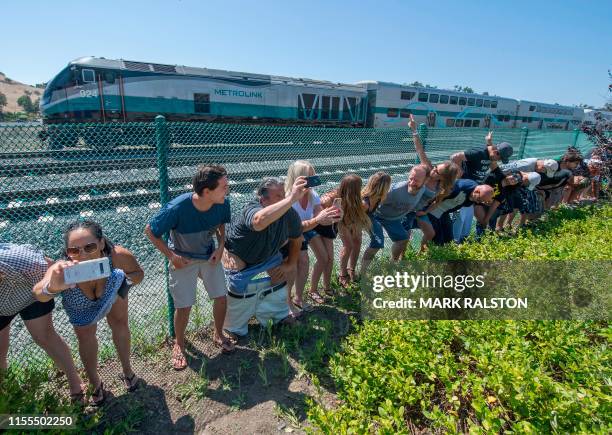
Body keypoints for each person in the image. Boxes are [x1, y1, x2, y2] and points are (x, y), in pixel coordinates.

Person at [34, 221, 144, 406]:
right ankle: (95, 383)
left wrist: (124, 281)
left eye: (89, 247)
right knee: (85, 338)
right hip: (81, 307)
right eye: (74, 251)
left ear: (101, 244)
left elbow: (139, 274)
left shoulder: (117, 256)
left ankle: (127, 371)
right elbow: (38, 293)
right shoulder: (63, 269)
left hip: (112, 293)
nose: (82, 255)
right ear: (67, 252)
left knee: (120, 324)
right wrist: (53, 287)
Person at [145, 165, 233, 370]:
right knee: (183, 307)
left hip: (209, 256)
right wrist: (172, 256)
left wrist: (220, 247)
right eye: (223, 186)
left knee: (221, 297)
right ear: (206, 192)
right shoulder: (178, 207)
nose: (227, 190)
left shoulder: (222, 203)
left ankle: (218, 334)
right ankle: (179, 344)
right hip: (183, 259)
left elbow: (221, 224)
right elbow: (150, 231)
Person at [1, 243, 84, 402]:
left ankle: (75, 381)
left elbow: (52, 267)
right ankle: (7, 394)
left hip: (31, 294)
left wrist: (49, 288)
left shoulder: (16, 259)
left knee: (45, 337)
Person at [222, 177, 304, 337]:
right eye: (279, 196)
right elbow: (259, 222)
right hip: (238, 255)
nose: (284, 199)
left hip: (267, 254)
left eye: (284, 194)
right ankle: (233, 326)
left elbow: (297, 237)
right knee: (236, 282)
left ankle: (278, 315)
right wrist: (291, 199)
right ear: (262, 199)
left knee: (283, 274)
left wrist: (291, 263)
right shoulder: (251, 207)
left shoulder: (289, 213)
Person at [284, 161, 340, 309]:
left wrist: (333, 217)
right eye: (309, 176)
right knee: (302, 261)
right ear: (298, 177)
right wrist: (318, 219)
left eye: (313, 174)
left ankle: (303, 295)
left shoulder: (312, 194)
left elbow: (320, 217)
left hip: (308, 227)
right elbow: (292, 227)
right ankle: (290, 299)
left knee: (324, 258)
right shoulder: (289, 196)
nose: (313, 178)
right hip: (291, 232)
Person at [403, 114, 461, 252]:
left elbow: (438, 202)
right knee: (405, 235)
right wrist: (414, 130)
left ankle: (421, 254)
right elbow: (419, 150)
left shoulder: (442, 187)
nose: (434, 171)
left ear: (443, 178)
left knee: (430, 234)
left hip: (419, 211)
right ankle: (401, 258)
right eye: (436, 167)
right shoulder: (427, 170)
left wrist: (425, 211)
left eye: (438, 172)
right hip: (406, 207)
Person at [451, 131, 513, 242]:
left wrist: (489, 141)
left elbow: (495, 165)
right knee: (459, 218)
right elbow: (455, 157)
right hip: (464, 191)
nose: (498, 161)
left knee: (467, 221)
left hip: (473, 192)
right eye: (499, 158)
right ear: (496, 152)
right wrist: (460, 175)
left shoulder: (491, 155)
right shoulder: (479, 152)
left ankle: (464, 239)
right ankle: (454, 241)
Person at [317, 174, 371, 288]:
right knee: (349, 245)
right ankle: (342, 274)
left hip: (348, 219)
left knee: (358, 240)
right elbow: (322, 203)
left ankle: (351, 269)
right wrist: (325, 201)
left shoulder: (357, 197)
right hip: (338, 222)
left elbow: (358, 208)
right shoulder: (335, 195)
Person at [425, 181, 495, 245]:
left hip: (444, 212)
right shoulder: (459, 188)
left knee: (449, 239)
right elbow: (439, 194)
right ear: (477, 191)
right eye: (479, 199)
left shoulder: (473, 195)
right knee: (437, 238)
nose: (478, 202)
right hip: (434, 210)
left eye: (481, 201)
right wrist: (426, 209)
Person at [359, 172, 392, 276]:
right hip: (361, 219)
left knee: (378, 243)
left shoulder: (378, 198)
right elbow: (355, 219)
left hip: (370, 217)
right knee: (377, 243)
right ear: (383, 187)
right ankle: (362, 273)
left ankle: (363, 271)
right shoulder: (365, 203)